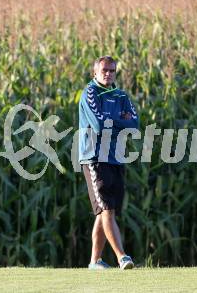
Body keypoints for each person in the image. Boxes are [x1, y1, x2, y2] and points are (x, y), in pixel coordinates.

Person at [78, 56, 139, 270]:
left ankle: (95, 262)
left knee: (106, 211)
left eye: (112, 71)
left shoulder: (121, 95)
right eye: (104, 70)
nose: (108, 74)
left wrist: (112, 121)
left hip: (116, 157)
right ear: (95, 72)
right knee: (107, 210)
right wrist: (119, 121)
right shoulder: (89, 93)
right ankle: (122, 257)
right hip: (95, 157)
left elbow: (135, 124)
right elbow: (97, 124)